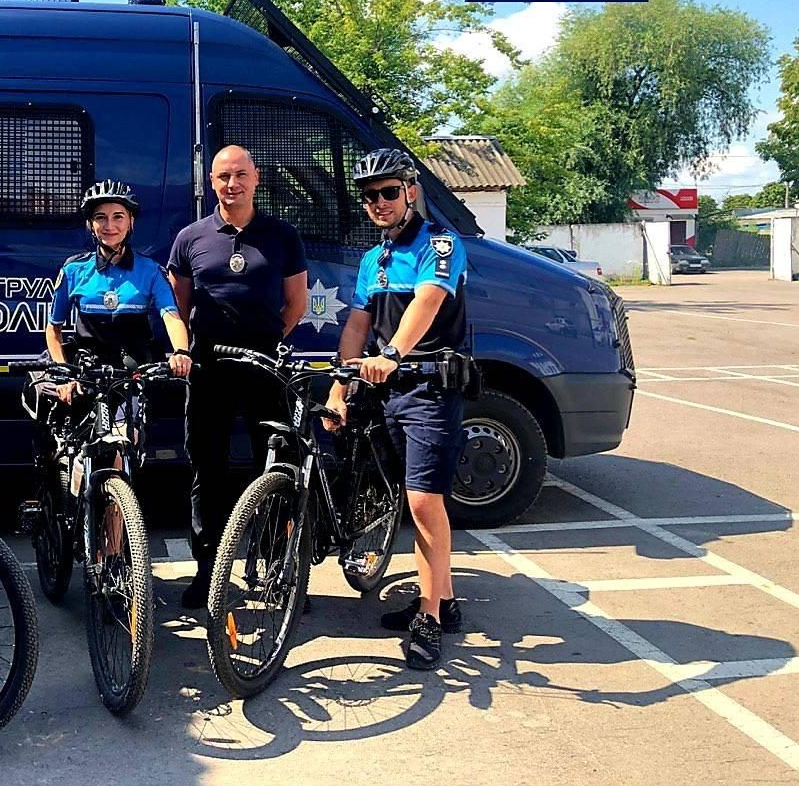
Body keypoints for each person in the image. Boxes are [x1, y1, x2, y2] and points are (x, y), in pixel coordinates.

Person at [324, 147, 469, 670]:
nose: (378, 203)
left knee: (425, 501)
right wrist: (339, 385)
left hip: (430, 388)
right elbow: (357, 324)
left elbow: (426, 303)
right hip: (387, 391)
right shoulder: (373, 259)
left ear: (410, 191)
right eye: (369, 196)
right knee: (409, 498)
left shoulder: (441, 244)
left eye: (388, 192)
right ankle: (444, 601)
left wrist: (391, 354)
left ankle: (428, 619)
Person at [167, 145, 308, 609]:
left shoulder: (282, 236)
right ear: (212, 182)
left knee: (275, 469)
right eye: (224, 176)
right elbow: (179, 307)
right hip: (209, 371)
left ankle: (276, 570)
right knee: (208, 472)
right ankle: (208, 572)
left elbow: (297, 304)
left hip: (265, 370)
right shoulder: (190, 238)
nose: (233, 184)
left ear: (256, 177)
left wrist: (266, 343)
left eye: (241, 175)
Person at [29, 180, 191, 453]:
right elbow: (53, 329)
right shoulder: (74, 270)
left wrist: (180, 352)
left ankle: (115, 479)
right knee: (77, 451)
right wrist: (64, 374)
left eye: (118, 217)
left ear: (131, 223)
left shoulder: (150, 271)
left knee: (121, 442)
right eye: (100, 218)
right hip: (86, 372)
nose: (109, 225)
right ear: (90, 225)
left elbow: (172, 317)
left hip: (131, 372)